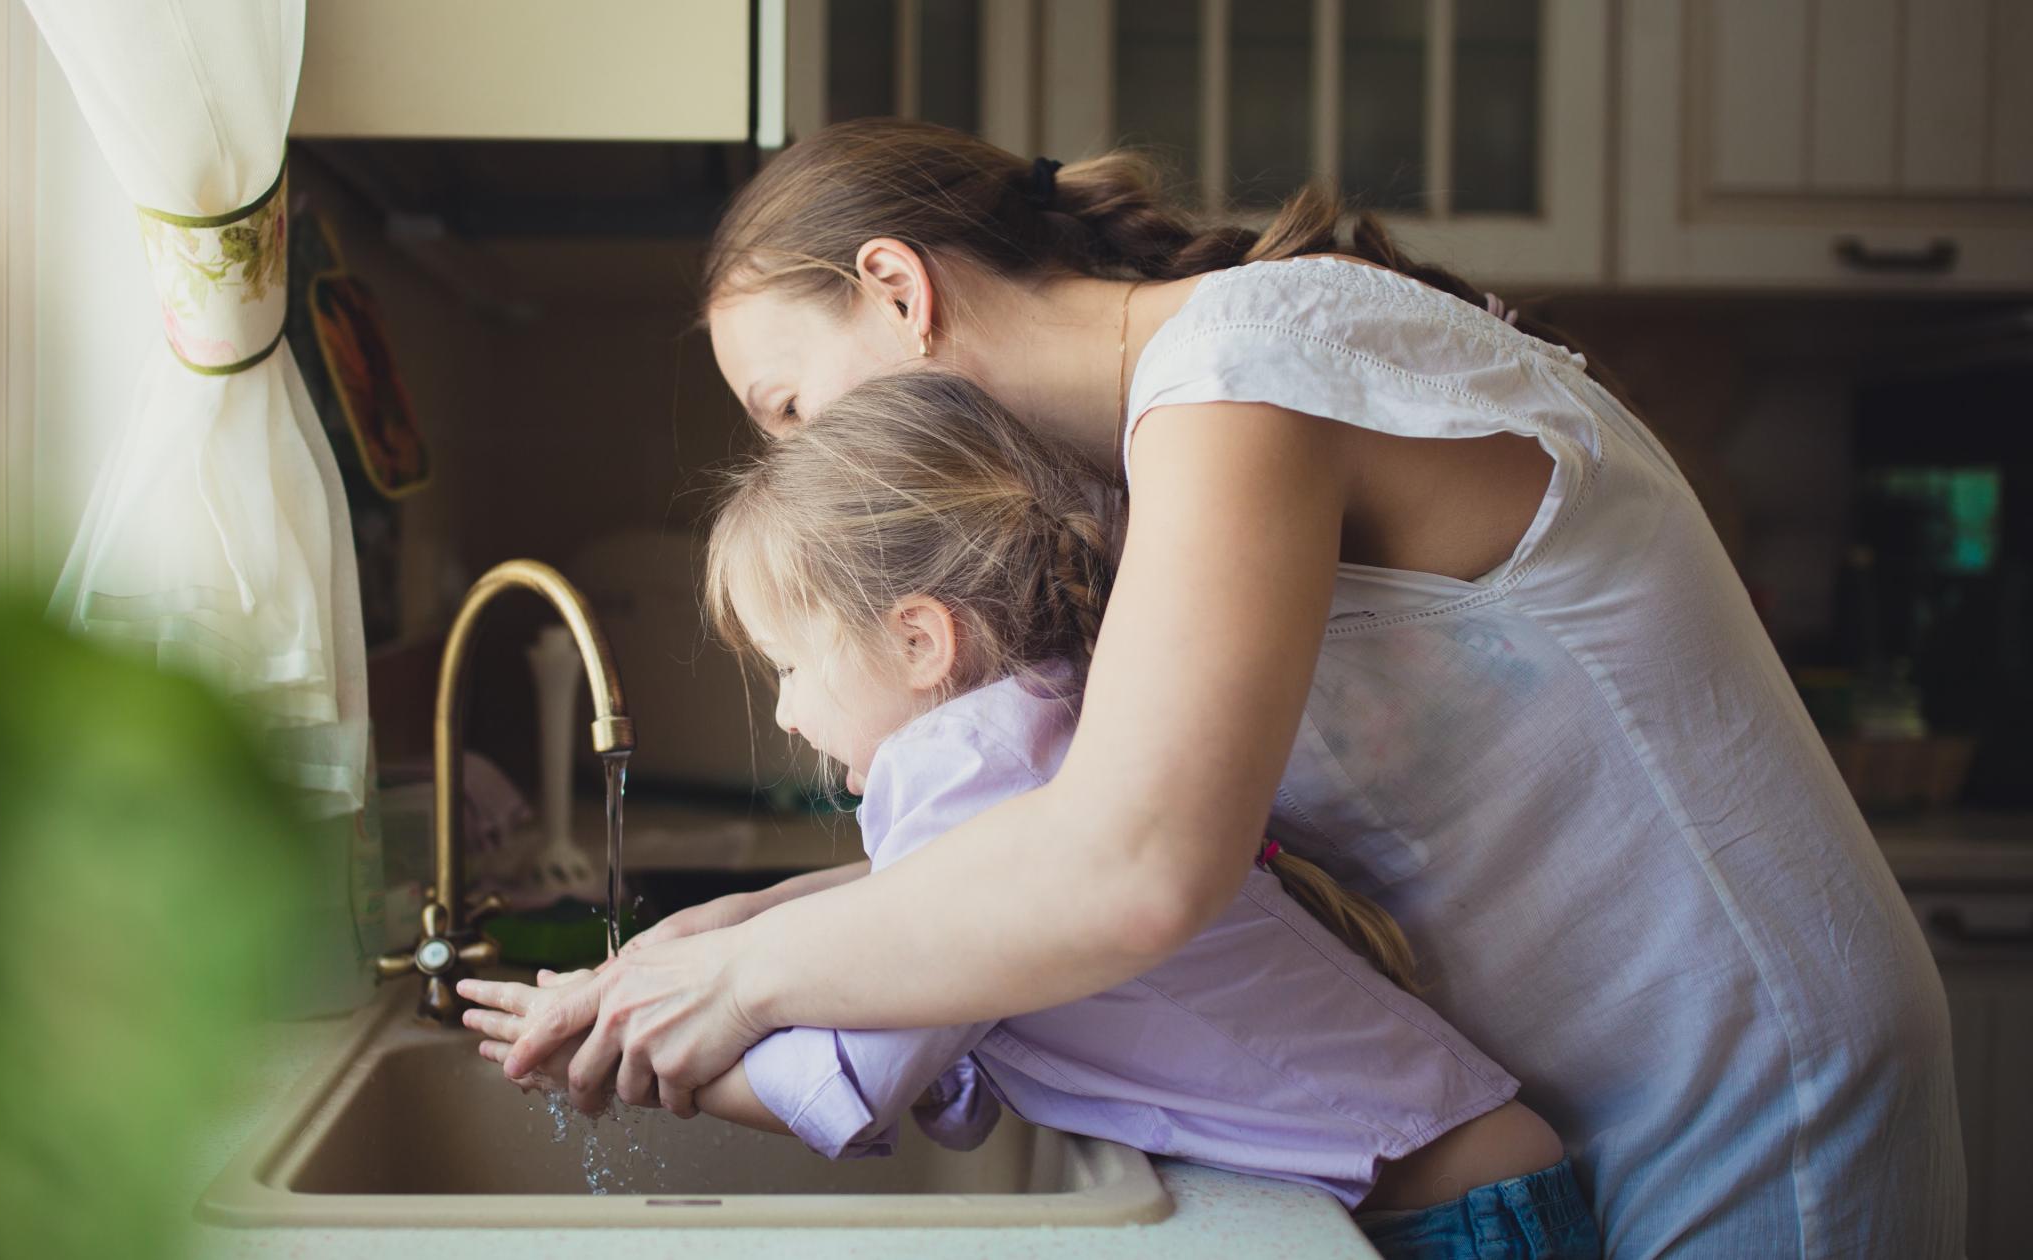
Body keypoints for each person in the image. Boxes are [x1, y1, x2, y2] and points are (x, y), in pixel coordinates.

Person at [484, 120, 1963, 1257]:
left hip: (1749, 1083)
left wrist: (735, 978)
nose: (809, 468)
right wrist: (724, 929)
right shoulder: (1146, 464)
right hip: (1570, 1096)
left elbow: (1131, 868)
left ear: (898, 289)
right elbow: (1035, 837)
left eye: (794, 409)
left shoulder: (1242, 369)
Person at [465, 372, 1598, 1258]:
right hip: (1474, 1181)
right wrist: (722, 938)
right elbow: (938, 985)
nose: (789, 709)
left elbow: (866, 1076)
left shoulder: (954, 775)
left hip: (1450, 1223)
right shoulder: (1044, 718)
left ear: (919, 640)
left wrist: (617, 1051)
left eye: (790, 666)